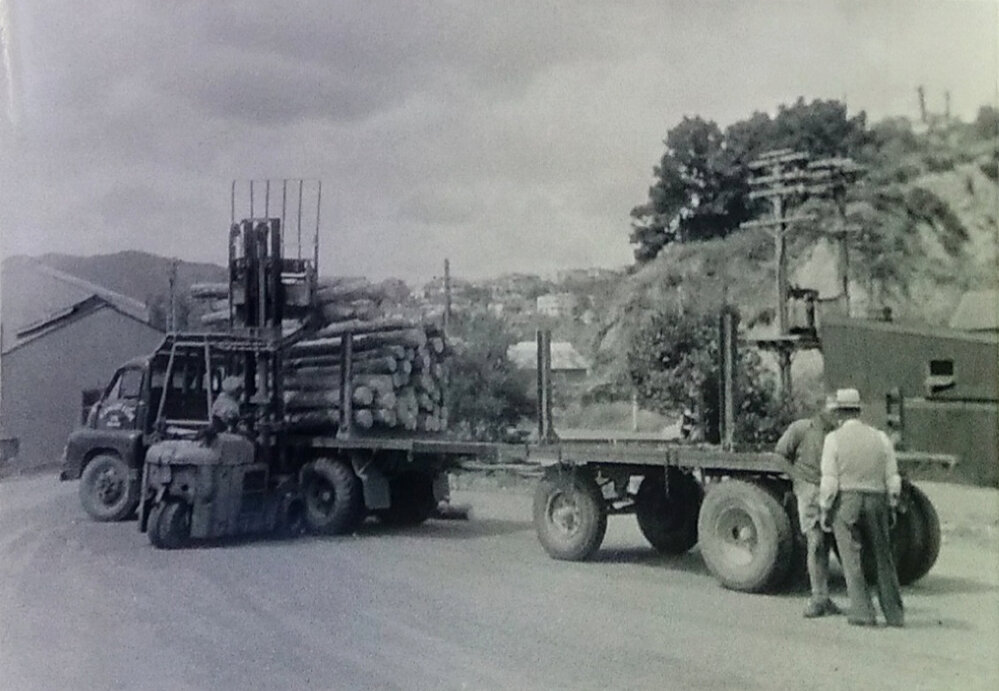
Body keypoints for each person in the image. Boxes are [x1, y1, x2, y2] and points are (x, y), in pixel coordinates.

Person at [819, 388, 904, 628]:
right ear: (859, 411)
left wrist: (826, 509)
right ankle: (894, 613)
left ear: (839, 414)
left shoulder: (833, 439)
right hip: (877, 499)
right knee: (882, 557)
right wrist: (892, 503)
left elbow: (829, 481)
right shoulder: (880, 438)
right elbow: (892, 477)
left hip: (847, 500)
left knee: (851, 558)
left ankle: (863, 612)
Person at [776, 400, 841, 618]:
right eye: (832, 410)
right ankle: (816, 597)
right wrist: (798, 481)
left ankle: (823, 597)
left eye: (838, 411)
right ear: (821, 410)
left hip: (831, 491)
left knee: (827, 543)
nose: (836, 415)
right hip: (809, 489)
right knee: (815, 543)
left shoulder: (837, 434)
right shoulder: (801, 429)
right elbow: (780, 454)